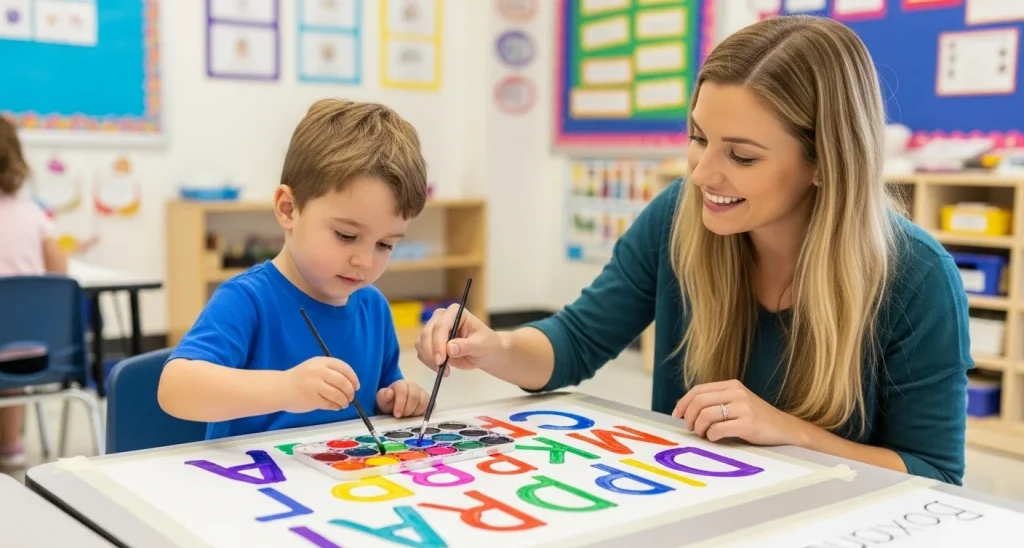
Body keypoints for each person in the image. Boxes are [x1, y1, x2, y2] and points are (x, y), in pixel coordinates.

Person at [415, 15, 972, 485]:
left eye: (743, 156)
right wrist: (494, 346)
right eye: (698, 137)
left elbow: (934, 475)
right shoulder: (677, 218)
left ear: (825, 162)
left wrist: (792, 432)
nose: (703, 173)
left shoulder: (917, 277)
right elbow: (577, 340)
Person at [158, 99, 432, 440]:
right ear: (288, 209)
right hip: (255, 482)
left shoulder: (373, 307)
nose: (365, 261)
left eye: (385, 244)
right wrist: (285, 387)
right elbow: (175, 389)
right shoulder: (247, 299)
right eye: (346, 235)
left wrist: (399, 396)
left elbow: (384, 388)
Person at [0, 116, 68, 470]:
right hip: (30, 351)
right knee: (11, 347)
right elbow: (60, 276)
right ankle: (10, 444)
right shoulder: (33, 216)